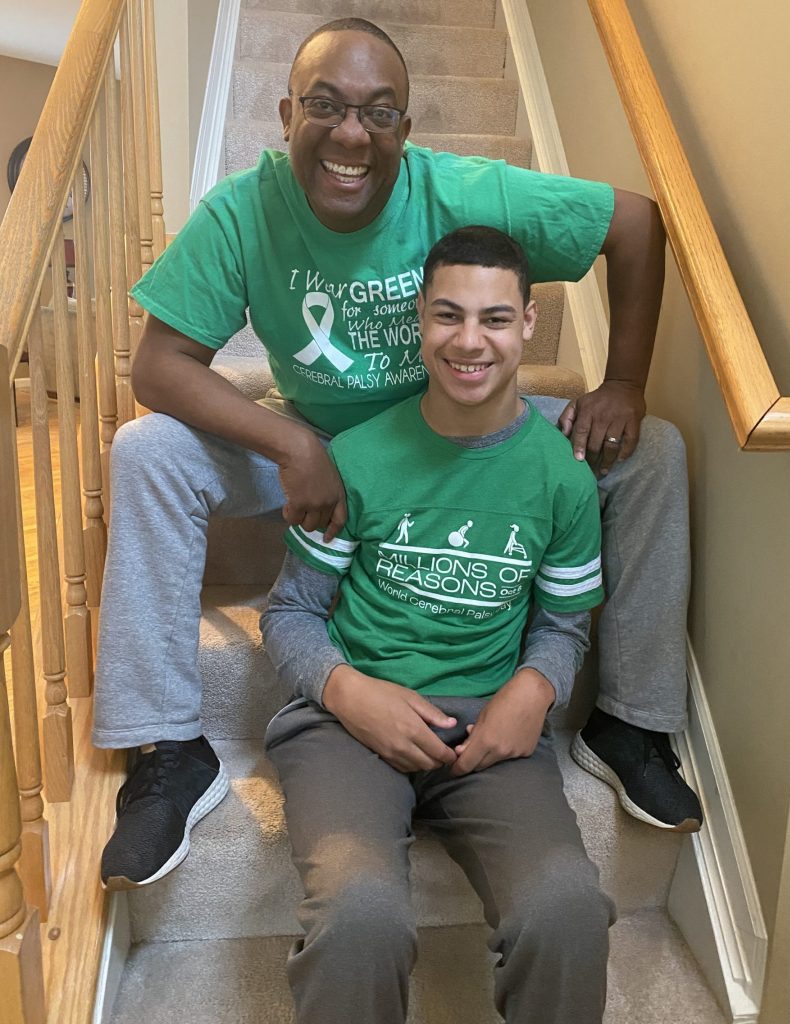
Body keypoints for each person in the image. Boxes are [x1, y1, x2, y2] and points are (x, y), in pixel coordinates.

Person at [96, 17, 699, 892]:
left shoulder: (458, 189)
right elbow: (159, 365)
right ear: (284, 113)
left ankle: (631, 722)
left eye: (379, 114)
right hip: (317, 442)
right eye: (325, 108)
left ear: (407, 131)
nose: (351, 135)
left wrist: (626, 384)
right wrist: (293, 440)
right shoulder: (243, 208)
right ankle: (166, 748)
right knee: (147, 450)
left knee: (654, 451)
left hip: (459, 419)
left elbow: (636, 224)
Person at [261, 226, 614, 1024]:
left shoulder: (562, 480)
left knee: (563, 908)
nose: (468, 341)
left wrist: (534, 688)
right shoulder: (357, 457)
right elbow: (288, 614)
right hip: (346, 727)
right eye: (447, 315)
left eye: (493, 319)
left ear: (528, 323)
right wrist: (350, 693)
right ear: (419, 317)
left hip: (489, 732)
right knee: (358, 916)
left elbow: (564, 625)